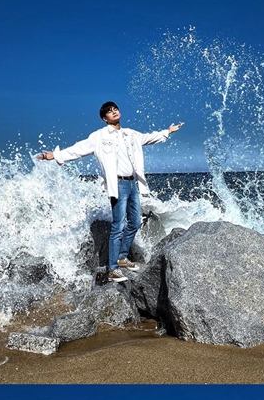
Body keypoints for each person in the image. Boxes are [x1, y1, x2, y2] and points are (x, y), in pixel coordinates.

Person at [37, 103, 184, 283]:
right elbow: (79, 148)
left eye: (115, 108)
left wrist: (168, 132)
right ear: (104, 118)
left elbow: (149, 138)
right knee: (118, 226)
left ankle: (122, 258)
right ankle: (112, 269)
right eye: (109, 111)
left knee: (135, 222)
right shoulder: (99, 136)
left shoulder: (130, 134)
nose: (113, 111)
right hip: (118, 184)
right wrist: (55, 156)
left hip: (133, 184)